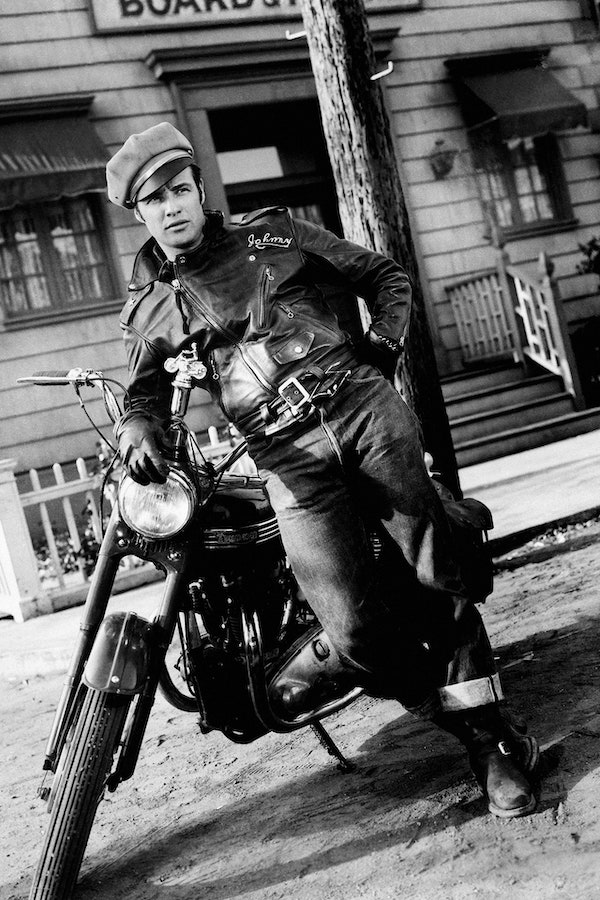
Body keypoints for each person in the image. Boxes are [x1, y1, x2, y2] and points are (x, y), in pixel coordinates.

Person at [106, 122, 538, 818]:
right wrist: (137, 425)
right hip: (286, 457)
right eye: (154, 200)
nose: (172, 207)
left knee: (437, 572)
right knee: (351, 627)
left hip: (362, 410)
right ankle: (460, 717)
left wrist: (382, 351)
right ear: (139, 214)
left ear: (198, 188)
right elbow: (143, 392)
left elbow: (384, 277)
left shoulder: (274, 236)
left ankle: (491, 747)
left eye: (179, 189)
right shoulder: (153, 306)